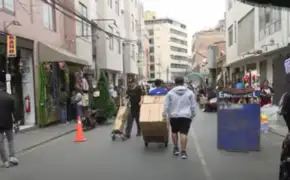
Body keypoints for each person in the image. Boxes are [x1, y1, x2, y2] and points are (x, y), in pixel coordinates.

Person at [163, 77, 196, 159]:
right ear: (183, 82)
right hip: (186, 115)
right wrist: (193, 113)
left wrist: (164, 114)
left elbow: (166, 105)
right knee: (184, 133)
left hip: (174, 116)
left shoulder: (170, 93)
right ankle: (183, 152)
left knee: (174, 132)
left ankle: (176, 148)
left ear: (175, 82)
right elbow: (193, 105)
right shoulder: (189, 92)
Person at [0, 82, 19, 168]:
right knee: (10, 140)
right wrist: (16, 123)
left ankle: (5, 161)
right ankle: (12, 157)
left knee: (0, 143)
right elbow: (14, 111)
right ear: (4, 88)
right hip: (8, 122)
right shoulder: (10, 97)